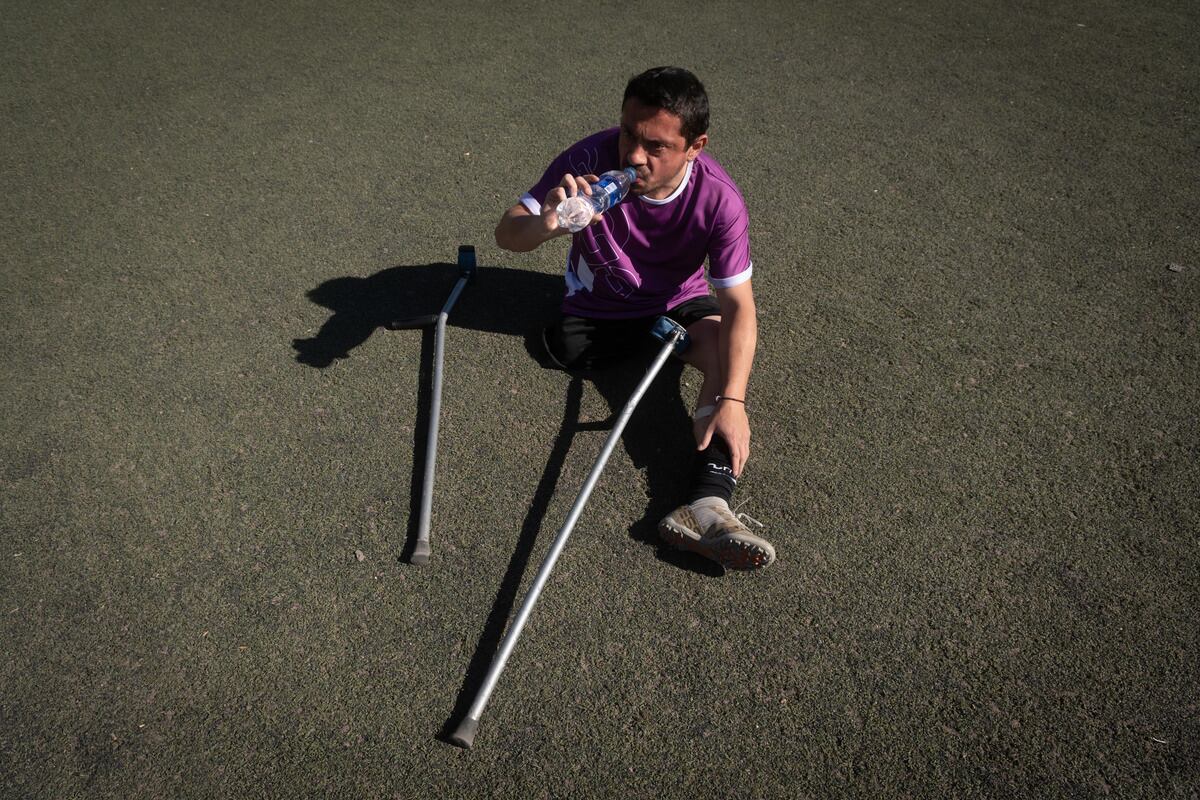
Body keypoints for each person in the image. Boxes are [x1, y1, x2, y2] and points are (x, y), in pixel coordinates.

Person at [494, 66, 775, 571]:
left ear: (696, 146)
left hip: (675, 302)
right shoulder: (590, 158)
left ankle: (709, 504)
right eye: (628, 133)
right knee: (564, 350)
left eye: (656, 145)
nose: (633, 156)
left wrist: (733, 399)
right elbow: (506, 233)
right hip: (596, 312)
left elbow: (739, 306)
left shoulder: (719, 200)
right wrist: (547, 224)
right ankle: (650, 350)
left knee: (723, 358)